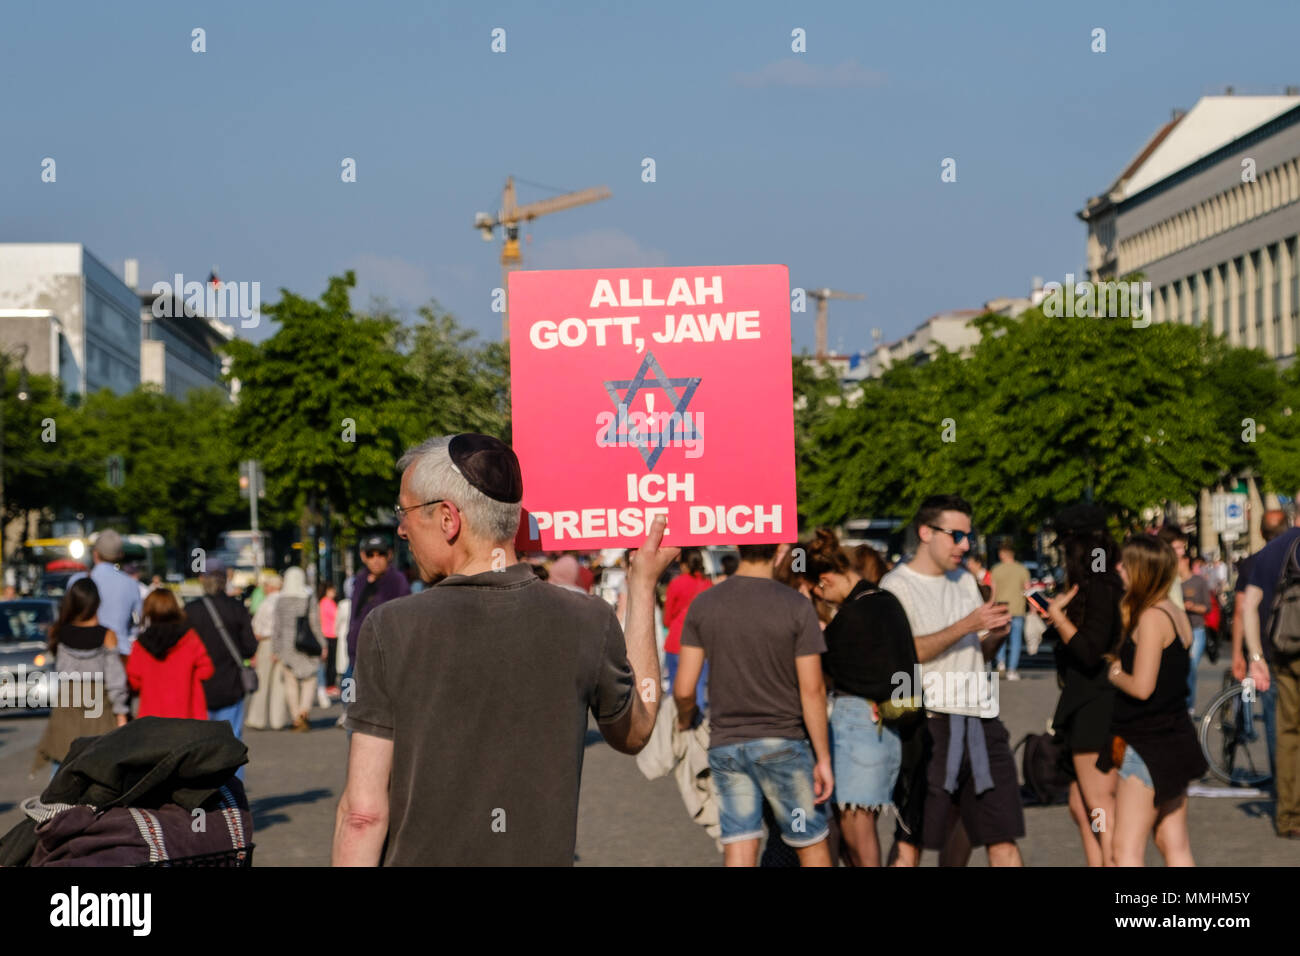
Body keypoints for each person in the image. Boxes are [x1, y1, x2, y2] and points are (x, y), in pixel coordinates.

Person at [334, 434, 676, 866]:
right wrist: (642, 584)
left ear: (447, 519)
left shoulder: (390, 628)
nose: (401, 528)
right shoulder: (588, 619)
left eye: (405, 511)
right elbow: (637, 731)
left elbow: (363, 814)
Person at [879, 494, 1023, 867]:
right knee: (913, 837)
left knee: (1000, 836)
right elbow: (906, 652)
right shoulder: (896, 585)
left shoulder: (964, 580)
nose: (965, 545)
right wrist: (969, 625)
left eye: (968, 536)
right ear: (926, 532)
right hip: (931, 724)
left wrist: (996, 636)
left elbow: (977, 653)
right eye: (956, 535)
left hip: (982, 720)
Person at [674, 542, 833, 867]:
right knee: (809, 843)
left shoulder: (705, 603)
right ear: (779, 550)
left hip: (728, 748)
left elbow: (684, 688)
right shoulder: (795, 605)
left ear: (739, 547)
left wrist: (683, 718)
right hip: (783, 745)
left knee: (740, 846)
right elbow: (812, 689)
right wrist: (824, 758)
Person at [806, 528, 915, 866]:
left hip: (856, 725)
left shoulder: (851, 617)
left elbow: (823, 673)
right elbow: (904, 669)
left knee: (857, 831)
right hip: (889, 728)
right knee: (861, 827)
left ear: (825, 580)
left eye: (818, 593)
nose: (823, 600)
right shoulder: (887, 602)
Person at [1096, 535, 1206, 866]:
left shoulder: (1151, 618)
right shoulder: (1174, 611)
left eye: (1125, 563)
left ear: (1141, 570)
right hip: (1175, 736)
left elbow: (1143, 687)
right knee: (1173, 842)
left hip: (1147, 744)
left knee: (1125, 850)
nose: (1119, 568)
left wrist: (1115, 673)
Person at [1036, 504, 1123, 866]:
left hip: (1096, 703)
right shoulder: (1093, 584)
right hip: (1083, 700)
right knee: (1079, 804)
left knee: (1099, 801)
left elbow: (1089, 651)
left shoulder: (1101, 586)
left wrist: (1058, 620)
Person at [1239, 508, 1300, 839]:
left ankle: (1290, 815)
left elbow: (1248, 605)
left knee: (1288, 733)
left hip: (1283, 649)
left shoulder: (1273, 550)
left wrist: (1256, 655)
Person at [34, 579, 129, 776]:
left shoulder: (58, 632)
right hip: (98, 706)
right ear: (96, 603)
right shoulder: (107, 635)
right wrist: (121, 713)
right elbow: (115, 679)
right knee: (99, 767)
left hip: (67, 704)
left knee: (61, 762)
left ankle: (57, 806)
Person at [185, 561, 259, 779]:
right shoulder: (237, 608)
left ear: (201, 580)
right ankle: (234, 800)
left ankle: (206, 799)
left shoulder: (191, 611)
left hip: (199, 687)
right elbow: (249, 647)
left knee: (201, 745)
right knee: (232, 742)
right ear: (225, 579)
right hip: (231, 685)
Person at [1231, 509, 1288, 785]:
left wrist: (1241, 655)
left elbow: (1243, 609)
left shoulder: (1255, 561)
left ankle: (1282, 788)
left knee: (1276, 724)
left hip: (1267, 652)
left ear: (1261, 532)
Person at [341, 535, 410, 712]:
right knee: (350, 708)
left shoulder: (397, 581)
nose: (376, 559)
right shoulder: (359, 580)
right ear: (363, 556)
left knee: (378, 715)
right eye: (371, 554)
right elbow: (354, 617)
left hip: (383, 659)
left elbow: (404, 620)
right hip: (355, 657)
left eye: (381, 554)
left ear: (389, 555)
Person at [127, 588, 214, 720]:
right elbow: (207, 670)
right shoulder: (189, 638)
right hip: (186, 714)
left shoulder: (141, 645)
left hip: (152, 718)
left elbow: (134, 681)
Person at [68, 529, 142, 664]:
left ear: (95, 553)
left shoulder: (77, 582)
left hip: (85, 654)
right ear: (120, 555)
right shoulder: (131, 584)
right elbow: (138, 622)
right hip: (121, 653)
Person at [274, 567, 324, 732]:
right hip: (307, 644)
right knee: (309, 681)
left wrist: (276, 649)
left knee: (291, 683)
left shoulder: (280, 600)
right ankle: (304, 710)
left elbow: (277, 627)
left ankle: (296, 717)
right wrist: (322, 644)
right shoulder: (308, 597)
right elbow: (315, 622)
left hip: (287, 647)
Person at [662, 548, 712, 709]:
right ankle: (697, 728)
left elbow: (667, 619)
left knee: (673, 689)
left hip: (676, 639)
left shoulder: (676, 583)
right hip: (701, 641)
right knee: (698, 687)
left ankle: (675, 727)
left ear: (684, 564)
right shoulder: (708, 584)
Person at [246, 574, 287, 730]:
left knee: (262, 682)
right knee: (279, 683)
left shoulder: (266, 603)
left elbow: (256, 628)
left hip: (266, 642)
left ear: (269, 587)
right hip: (283, 643)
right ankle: (278, 720)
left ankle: (257, 718)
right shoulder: (285, 601)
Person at [1178, 543, 1211, 713]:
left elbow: (1207, 607)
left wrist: (1192, 607)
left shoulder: (1198, 581)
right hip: (1178, 630)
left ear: (1185, 561)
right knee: (1180, 668)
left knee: (1190, 666)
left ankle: (1189, 705)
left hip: (1196, 629)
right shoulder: (1173, 582)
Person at [990, 541, 1030, 680]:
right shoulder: (1022, 569)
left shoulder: (996, 569)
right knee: (1016, 640)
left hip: (1001, 608)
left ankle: (1001, 662)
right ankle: (1012, 670)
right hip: (1018, 608)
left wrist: (991, 606)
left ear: (1002, 554)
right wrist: (1033, 609)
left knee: (1000, 637)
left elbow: (993, 592)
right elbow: (1027, 590)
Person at [319, 582, 339, 707]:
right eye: (332, 590)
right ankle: (329, 685)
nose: (334, 593)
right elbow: (337, 616)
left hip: (329, 634)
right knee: (331, 662)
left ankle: (329, 685)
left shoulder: (323, 602)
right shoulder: (327, 603)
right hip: (330, 634)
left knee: (330, 662)